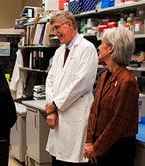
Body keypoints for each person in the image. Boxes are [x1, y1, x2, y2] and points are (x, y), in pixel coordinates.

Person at [45, 11, 98, 165]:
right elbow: (50, 81)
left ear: (69, 25)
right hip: (57, 117)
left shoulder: (87, 48)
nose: (55, 33)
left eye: (57, 28)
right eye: (53, 30)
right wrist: (52, 109)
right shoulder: (59, 51)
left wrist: (55, 105)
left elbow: (81, 84)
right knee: (58, 159)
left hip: (76, 116)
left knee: (74, 160)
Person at [84, 28, 139, 166]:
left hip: (116, 149)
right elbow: (94, 109)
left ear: (110, 49)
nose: (98, 47)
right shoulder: (104, 76)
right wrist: (89, 141)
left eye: (101, 43)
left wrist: (96, 148)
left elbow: (118, 123)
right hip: (98, 145)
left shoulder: (127, 81)